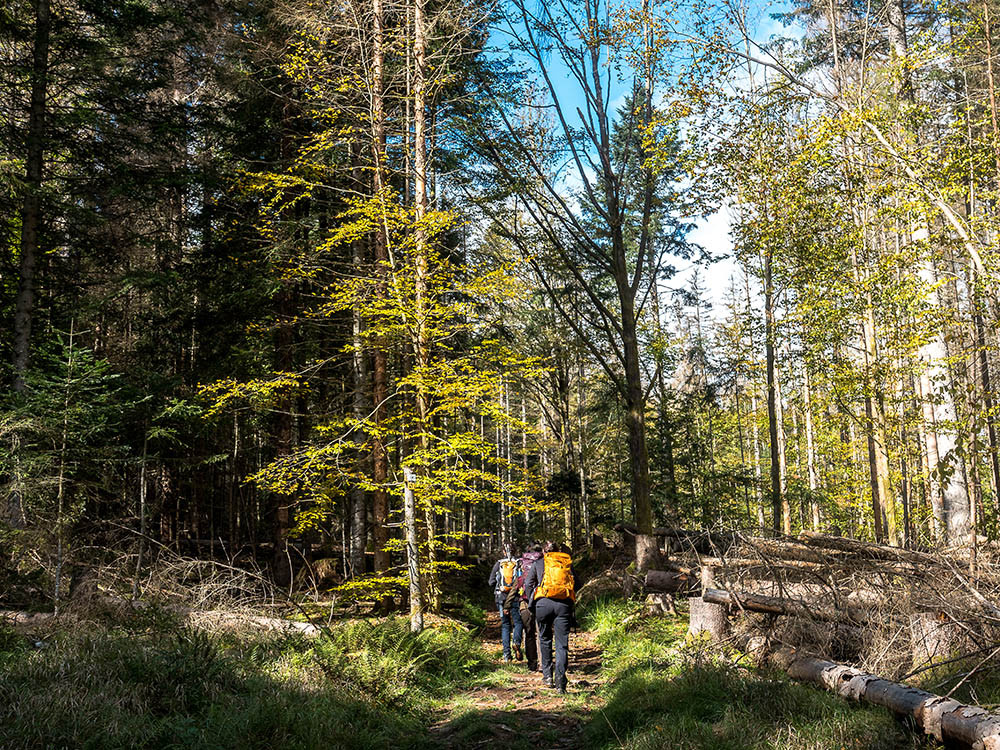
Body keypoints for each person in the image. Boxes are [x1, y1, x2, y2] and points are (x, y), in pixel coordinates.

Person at [524, 541, 575, 693]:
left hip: (543, 604)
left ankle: (547, 676)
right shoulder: (566, 563)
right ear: (558, 551)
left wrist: (532, 600)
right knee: (561, 643)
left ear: (545, 552)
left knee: (545, 638)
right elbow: (576, 583)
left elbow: (528, 584)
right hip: (563, 605)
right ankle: (561, 680)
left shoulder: (539, 563)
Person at [488, 546, 523, 663]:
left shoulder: (499, 564)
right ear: (515, 551)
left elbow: (491, 582)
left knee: (505, 625)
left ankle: (507, 655)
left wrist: (500, 587)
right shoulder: (518, 563)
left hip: (501, 599)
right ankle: (517, 642)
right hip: (515, 598)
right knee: (518, 622)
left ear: (503, 551)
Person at [514, 543, 543, 671]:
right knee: (542, 633)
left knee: (529, 633)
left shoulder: (522, 563)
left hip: (525, 602)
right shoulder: (543, 561)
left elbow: (518, 583)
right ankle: (543, 663)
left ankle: (532, 663)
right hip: (542, 600)